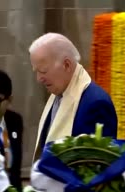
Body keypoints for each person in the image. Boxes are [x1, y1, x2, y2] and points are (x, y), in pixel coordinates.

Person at [29, 33, 118, 162]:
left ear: (67, 65)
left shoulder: (96, 104)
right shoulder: (57, 94)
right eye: (36, 72)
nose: (39, 79)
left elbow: (96, 168)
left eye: (43, 71)